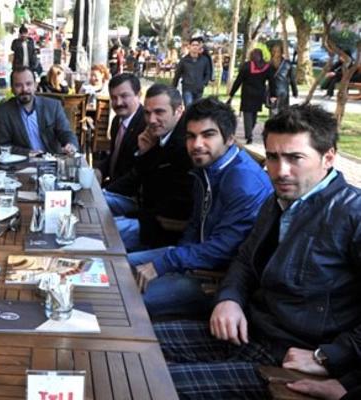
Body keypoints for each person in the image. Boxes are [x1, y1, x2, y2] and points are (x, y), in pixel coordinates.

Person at [155, 104, 361, 398]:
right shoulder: (276, 202)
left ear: (328, 157)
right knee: (132, 342)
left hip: (288, 360)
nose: (281, 171)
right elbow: (244, 262)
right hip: (247, 331)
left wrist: (330, 357)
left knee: (147, 384)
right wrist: (229, 299)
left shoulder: (352, 214)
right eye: (273, 157)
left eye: (295, 158)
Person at [128, 97, 273, 317]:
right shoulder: (207, 167)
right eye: (191, 136)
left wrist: (167, 264)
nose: (196, 144)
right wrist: (176, 263)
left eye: (208, 135)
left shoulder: (244, 181)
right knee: (115, 266)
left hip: (217, 280)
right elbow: (195, 225)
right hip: (192, 260)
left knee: (124, 298)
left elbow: (224, 249)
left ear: (230, 138)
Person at [112, 84, 193, 251]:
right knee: (99, 205)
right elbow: (138, 180)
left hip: (163, 232)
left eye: (159, 112)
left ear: (179, 110)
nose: (151, 120)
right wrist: (144, 154)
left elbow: (165, 204)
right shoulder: (157, 135)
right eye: (147, 113)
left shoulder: (184, 144)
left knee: (101, 233)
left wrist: (147, 155)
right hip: (148, 213)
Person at [0, 66, 79, 155]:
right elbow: (3, 146)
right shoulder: (4, 112)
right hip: (23, 161)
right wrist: (28, 153)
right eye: (18, 85)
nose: (24, 89)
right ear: (12, 89)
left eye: (28, 84)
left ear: (35, 85)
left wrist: (70, 144)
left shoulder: (53, 106)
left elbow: (65, 132)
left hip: (52, 159)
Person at [98, 73, 146, 216]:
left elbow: (137, 173)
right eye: (113, 97)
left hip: (133, 198)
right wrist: (99, 171)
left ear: (138, 95)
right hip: (114, 189)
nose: (118, 102)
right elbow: (115, 156)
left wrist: (105, 190)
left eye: (124, 96)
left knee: (90, 203)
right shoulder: (117, 121)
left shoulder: (146, 124)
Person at [228, 48, 271, 144]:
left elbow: (238, 81)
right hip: (259, 93)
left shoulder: (246, 66)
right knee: (254, 114)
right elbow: (271, 80)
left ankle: (249, 135)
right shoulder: (265, 67)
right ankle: (250, 130)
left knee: (247, 114)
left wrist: (232, 94)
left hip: (247, 94)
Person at [172, 37, 212, 106]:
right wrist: (173, 88)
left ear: (199, 47)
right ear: (189, 47)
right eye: (193, 45)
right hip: (187, 88)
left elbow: (207, 73)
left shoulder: (204, 60)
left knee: (197, 108)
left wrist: (203, 83)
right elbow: (177, 74)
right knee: (189, 107)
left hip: (199, 89)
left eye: (197, 45)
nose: (195, 47)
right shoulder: (184, 60)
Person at [268, 42, 298, 115]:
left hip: (273, 91)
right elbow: (292, 79)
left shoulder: (268, 64)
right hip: (284, 92)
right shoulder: (287, 64)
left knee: (273, 112)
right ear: (282, 52)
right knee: (284, 113)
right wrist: (295, 91)